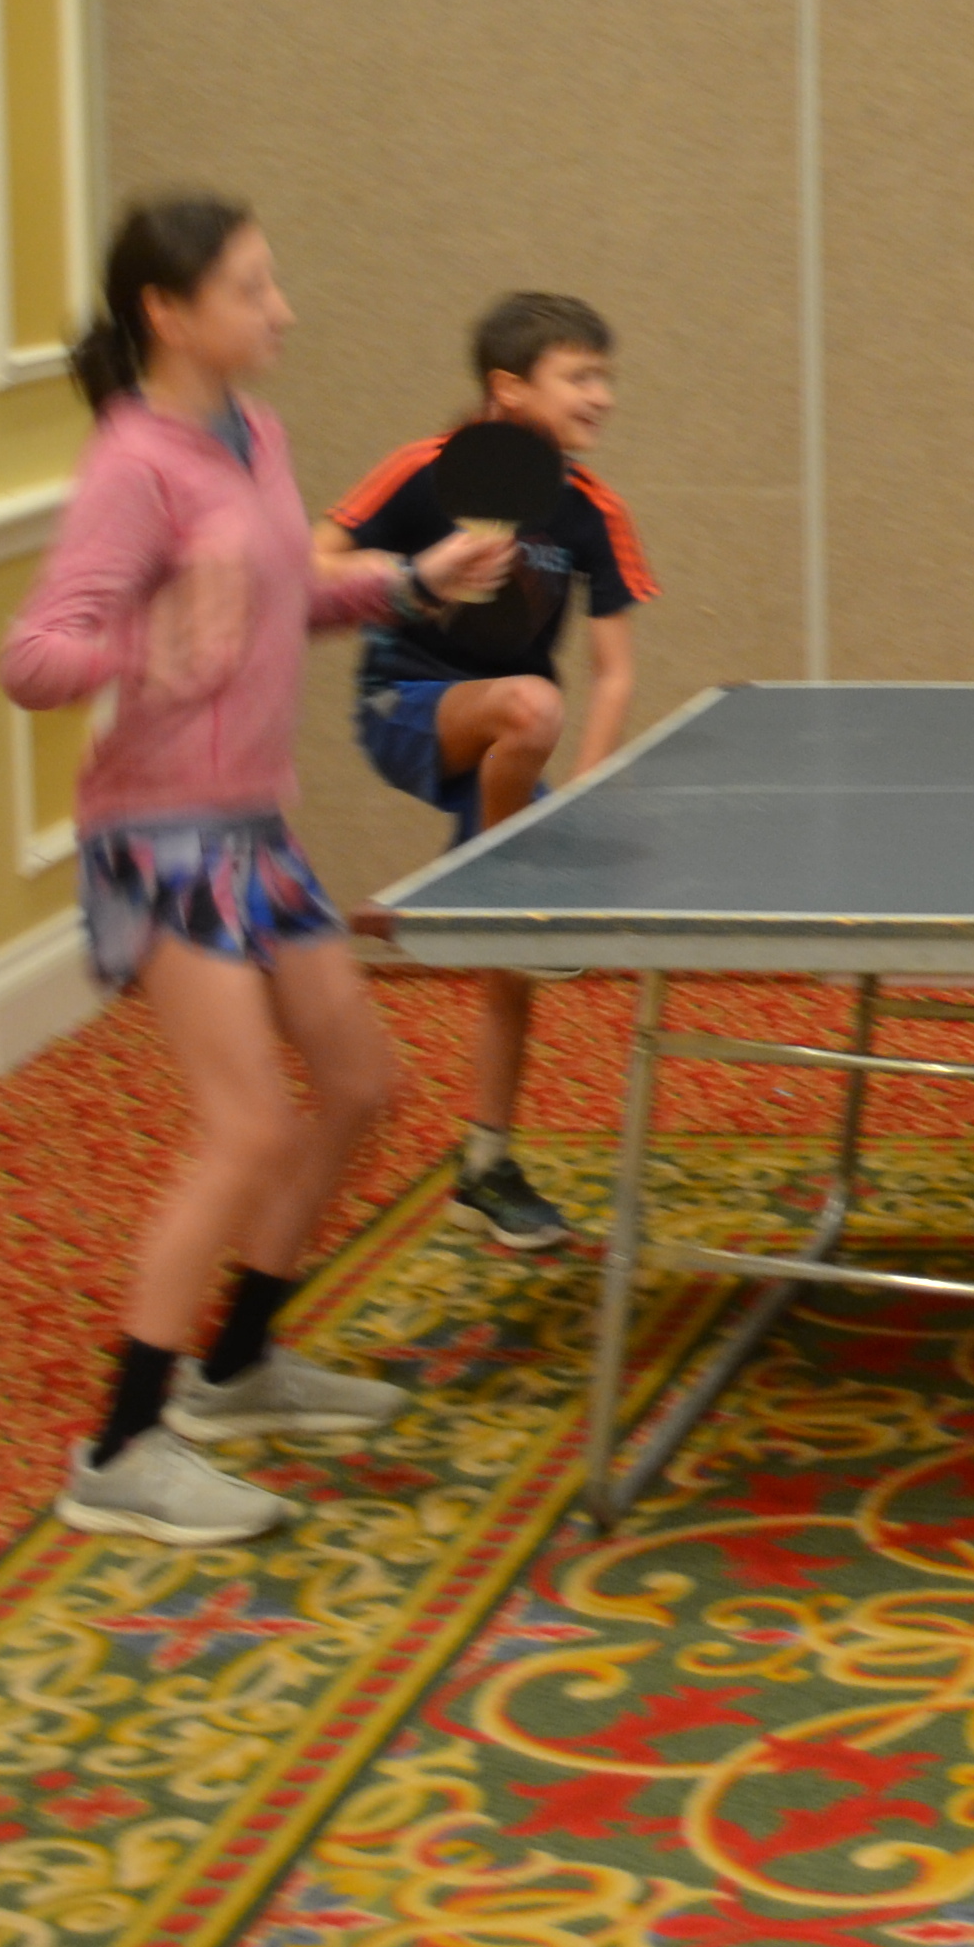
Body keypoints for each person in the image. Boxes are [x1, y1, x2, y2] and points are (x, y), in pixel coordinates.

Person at [2, 195, 512, 1546]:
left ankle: (238, 1369)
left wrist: (413, 579)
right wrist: (141, 650)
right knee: (248, 1130)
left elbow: (288, 592)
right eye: (251, 288)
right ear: (170, 314)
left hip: (252, 823)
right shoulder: (134, 465)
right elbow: (35, 655)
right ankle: (120, 1449)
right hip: (161, 838)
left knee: (358, 1084)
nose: (280, 310)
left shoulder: (254, 433)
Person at [319, 292, 654, 1253]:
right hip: (405, 707)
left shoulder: (592, 508)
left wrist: (583, 798)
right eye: (581, 377)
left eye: (607, 376)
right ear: (508, 390)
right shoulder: (423, 472)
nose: (605, 396)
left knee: (515, 958)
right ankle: (485, 884)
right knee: (532, 705)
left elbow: (617, 670)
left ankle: (485, 1168)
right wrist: (409, 580)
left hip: (509, 750)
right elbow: (316, 553)